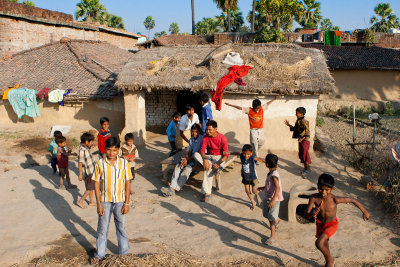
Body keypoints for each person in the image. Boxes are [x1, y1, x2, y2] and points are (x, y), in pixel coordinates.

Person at [306, 174, 370, 267]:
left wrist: (364, 211)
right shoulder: (314, 198)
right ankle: (329, 261)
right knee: (324, 243)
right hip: (320, 224)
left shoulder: (334, 199)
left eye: (327, 190)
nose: (323, 192)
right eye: (320, 189)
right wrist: (312, 212)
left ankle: (330, 260)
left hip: (331, 224)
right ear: (317, 186)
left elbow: (352, 200)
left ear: (331, 189)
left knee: (319, 243)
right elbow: (306, 215)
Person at [91, 137, 133, 265]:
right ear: (105, 149)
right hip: (105, 201)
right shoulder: (100, 164)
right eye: (109, 150)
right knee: (102, 228)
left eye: (114, 150)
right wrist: (98, 204)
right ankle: (100, 254)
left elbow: (127, 183)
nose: (111, 153)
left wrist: (127, 203)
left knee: (121, 227)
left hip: (120, 201)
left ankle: (124, 252)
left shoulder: (124, 163)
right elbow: (97, 184)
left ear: (119, 150)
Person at [161, 124, 203, 197]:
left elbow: (199, 153)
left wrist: (188, 159)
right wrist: (185, 159)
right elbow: (190, 151)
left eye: (196, 132)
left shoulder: (202, 139)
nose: (194, 133)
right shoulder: (191, 140)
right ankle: (172, 187)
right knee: (179, 165)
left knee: (187, 170)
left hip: (198, 159)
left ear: (199, 132)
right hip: (191, 158)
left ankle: (173, 189)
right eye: (192, 132)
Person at [194, 120, 229, 202]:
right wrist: (205, 159)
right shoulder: (206, 137)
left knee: (208, 169)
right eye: (207, 129)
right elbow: (202, 150)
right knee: (196, 154)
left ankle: (207, 193)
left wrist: (218, 163)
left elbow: (226, 155)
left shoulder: (222, 138)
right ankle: (216, 168)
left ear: (215, 129)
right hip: (209, 157)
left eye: (210, 130)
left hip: (218, 157)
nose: (208, 131)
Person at [257, 153, 283, 245]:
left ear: (267, 164)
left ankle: (273, 236)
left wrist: (273, 201)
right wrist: (263, 188)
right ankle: (277, 220)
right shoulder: (271, 173)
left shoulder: (274, 175)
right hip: (268, 198)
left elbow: (277, 188)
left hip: (273, 200)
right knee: (266, 215)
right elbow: (270, 185)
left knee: (271, 219)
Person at [230, 144, 265, 210]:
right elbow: (237, 153)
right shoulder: (241, 156)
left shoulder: (252, 157)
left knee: (254, 191)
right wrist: (229, 153)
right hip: (245, 177)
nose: (246, 156)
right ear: (242, 152)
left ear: (251, 153)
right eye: (244, 153)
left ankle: (257, 195)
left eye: (248, 154)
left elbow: (260, 159)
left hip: (253, 177)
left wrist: (268, 162)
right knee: (247, 191)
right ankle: (253, 202)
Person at [284, 107, 311, 177]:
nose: (296, 114)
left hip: (305, 141)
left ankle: (307, 169)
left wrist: (302, 138)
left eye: (297, 113)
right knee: (302, 154)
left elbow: (307, 132)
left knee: (305, 155)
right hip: (301, 141)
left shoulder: (305, 122)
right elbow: (295, 129)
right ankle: (306, 168)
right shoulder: (298, 121)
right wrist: (288, 125)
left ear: (302, 114)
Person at [77, 132, 96, 209]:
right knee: (90, 188)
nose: (92, 143)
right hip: (89, 172)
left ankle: (91, 201)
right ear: (86, 142)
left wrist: (92, 146)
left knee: (91, 186)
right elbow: (80, 162)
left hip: (92, 170)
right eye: (91, 142)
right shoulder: (81, 150)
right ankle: (80, 201)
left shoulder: (86, 148)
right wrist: (80, 174)